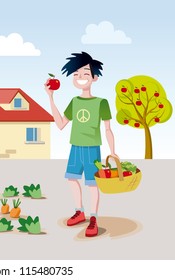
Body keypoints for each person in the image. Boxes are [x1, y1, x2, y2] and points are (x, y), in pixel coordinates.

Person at [45, 51, 118, 237]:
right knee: (72, 178)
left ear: (94, 78)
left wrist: (113, 151)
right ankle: (80, 211)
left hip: (93, 149)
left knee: (92, 184)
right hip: (75, 147)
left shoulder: (102, 103)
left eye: (85, 74)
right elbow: (61, 124)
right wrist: (51, 98)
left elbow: (108, 129)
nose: (80, 78)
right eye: (76, 74)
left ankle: (93, 218)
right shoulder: (74, 102)